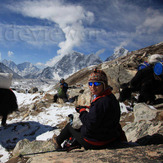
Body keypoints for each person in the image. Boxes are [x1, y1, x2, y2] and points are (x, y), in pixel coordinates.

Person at [52, 68, 127, 150]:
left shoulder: (100, 102)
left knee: (71, 126)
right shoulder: (110, 97)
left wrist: (82, 111)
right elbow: (101, 113)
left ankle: (58, 141)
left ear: (104, 84)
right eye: (90, 83)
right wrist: (88, 109)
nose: (93, 87)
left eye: (97, 83)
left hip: (97, 142)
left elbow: (90, 124)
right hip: (110, 137)